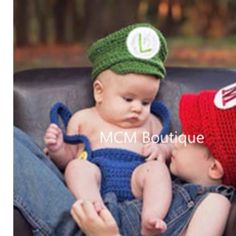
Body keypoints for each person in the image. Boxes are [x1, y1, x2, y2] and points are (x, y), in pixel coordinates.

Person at [44, 23, 172, 235]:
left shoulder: (152, 123)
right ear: (99, 92)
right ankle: (95, 212)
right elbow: (70, 158)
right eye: (128, 98)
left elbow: (170, 149)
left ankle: (151, 217)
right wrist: (58, 149)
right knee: (77, 168)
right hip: (97, 178)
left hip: (136, 179)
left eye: (146, 102)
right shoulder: (84, 119)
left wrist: (163, 151)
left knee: (158, 171)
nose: (137, 108)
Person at [70, 85, 236, 236]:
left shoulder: (216, 203)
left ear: (214, 167)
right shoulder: (180, 179)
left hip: (100, 230)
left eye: (187, 136)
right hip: (98, 214)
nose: (176, 140)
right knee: (70, 166)